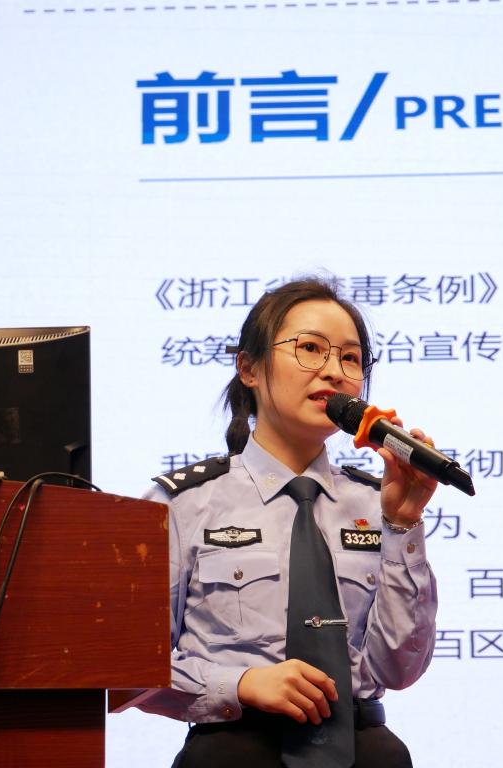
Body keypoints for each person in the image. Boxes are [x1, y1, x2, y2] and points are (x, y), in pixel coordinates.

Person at [134, 277, 438, 767]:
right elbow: (128, 670)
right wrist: (239, 684)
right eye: (310, 348)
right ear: (249, 368)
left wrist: (404, 523)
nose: (334, 372)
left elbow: (399, 669)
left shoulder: (378, 502)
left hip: (366, 750)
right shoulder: (181, 505)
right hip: (233, 751)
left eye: (351, 358)